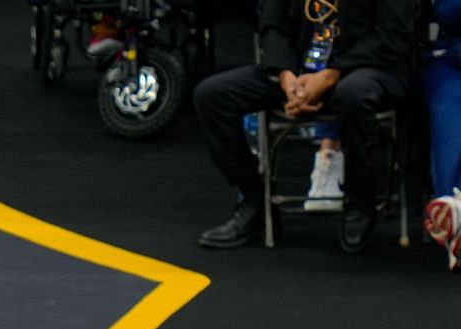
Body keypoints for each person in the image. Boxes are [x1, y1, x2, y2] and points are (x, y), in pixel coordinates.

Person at [191, 0, 416, 252]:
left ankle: (359, 201)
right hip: (300, 72)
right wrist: (286, 78)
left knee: (353, 94)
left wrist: (331, 75)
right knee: (211, 96)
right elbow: (272, 24)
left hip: (367, 69)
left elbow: (392, 35)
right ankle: (255, 202)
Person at [423, 0, 461, 268]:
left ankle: (457, 220)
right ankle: (454, 205)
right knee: (449, 104)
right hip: (451, 58)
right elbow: (448, 12)